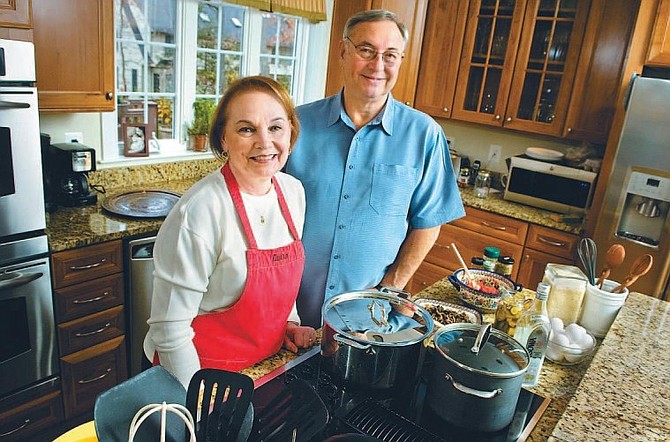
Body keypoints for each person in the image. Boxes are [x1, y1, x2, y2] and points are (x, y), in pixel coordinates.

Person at [285, 9, 465, 328]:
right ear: (343, 51)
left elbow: (428, 221)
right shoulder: (295, 125)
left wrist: (392, 287)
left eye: (390, 55)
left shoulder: (424, 135)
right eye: (366, 50)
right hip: (288, 313)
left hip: (369, 322)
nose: (378, 65)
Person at [144, 76, 317, 387]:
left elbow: (280, 285)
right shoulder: (200, 211)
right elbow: (169, 330)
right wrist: (195, 405)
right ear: (223, 138)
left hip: (262, 366)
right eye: (246, 129)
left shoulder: (293, 193)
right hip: (198, 374)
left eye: (275, 127)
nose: (265, 143)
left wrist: (288, 324)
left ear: (291, 131)